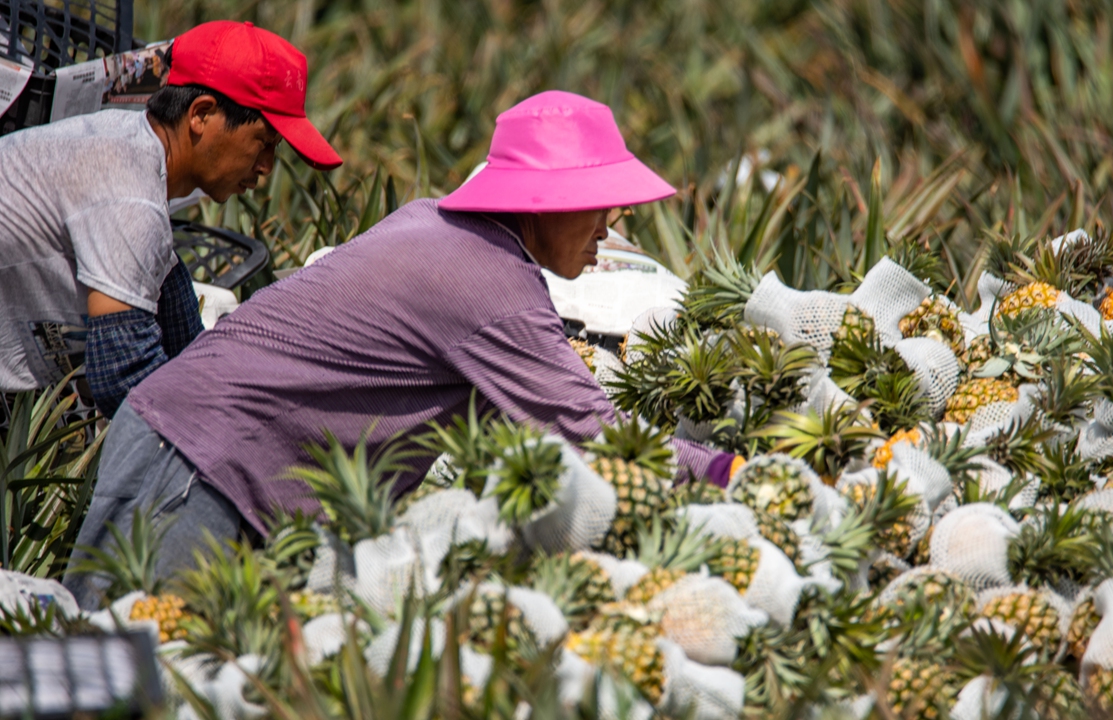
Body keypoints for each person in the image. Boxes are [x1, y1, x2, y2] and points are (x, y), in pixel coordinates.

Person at [65, 90, 742, 609]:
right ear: (546, 200)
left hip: (205, 453)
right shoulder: (489, 282)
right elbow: (591, 430)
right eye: (602, 201)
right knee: (119, 671)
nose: (614, 222)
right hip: (195, 460)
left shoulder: (438, 224)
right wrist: (728, 475)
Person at [0, 20, 342, 418]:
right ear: (201, 115)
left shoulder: (129, 144)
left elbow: (180, 338)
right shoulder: (129, 196)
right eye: (263, 143)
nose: (267, 166)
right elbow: (124, 377)